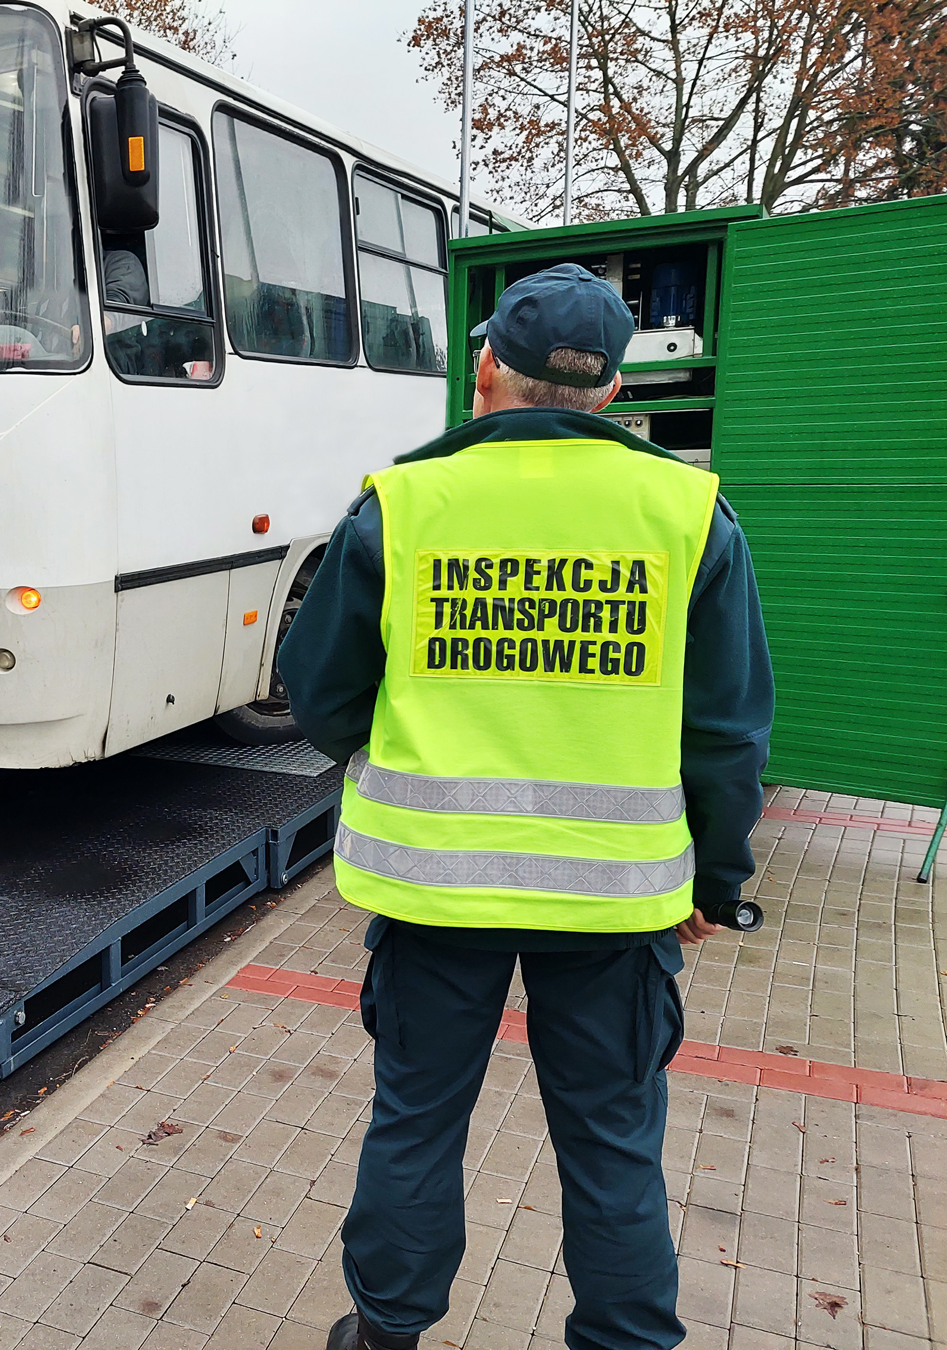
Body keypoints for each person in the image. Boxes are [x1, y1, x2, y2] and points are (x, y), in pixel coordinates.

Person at [278, 263, 773, 1350]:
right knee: (612, 1141)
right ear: (612, 390)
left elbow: (318, 695)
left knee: (415, 1123)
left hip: (434, 890)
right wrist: (717, 879)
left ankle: (387, 1333)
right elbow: (728, 732)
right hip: (614, 903)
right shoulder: (688, 513)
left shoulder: (404, 504)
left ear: (487, 369)